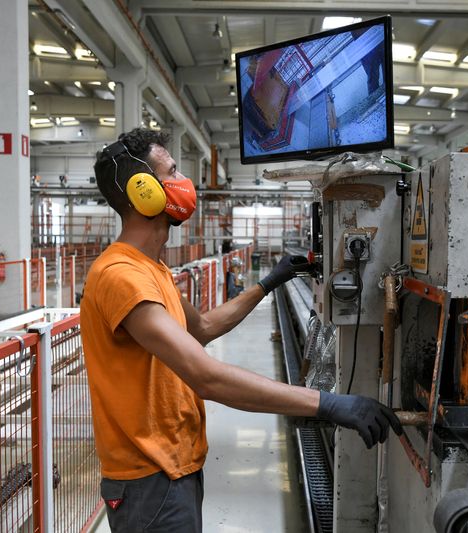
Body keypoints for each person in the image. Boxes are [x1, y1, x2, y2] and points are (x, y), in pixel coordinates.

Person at [80, 127, 402, 532]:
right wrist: (329, 404)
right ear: (142, 190)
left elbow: (203, 327)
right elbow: (206, 376)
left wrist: (270, 281)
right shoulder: (121, 276)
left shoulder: (152, 270)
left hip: (175, 467)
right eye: (173, 171)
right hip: (149, 477)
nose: (185, 182)